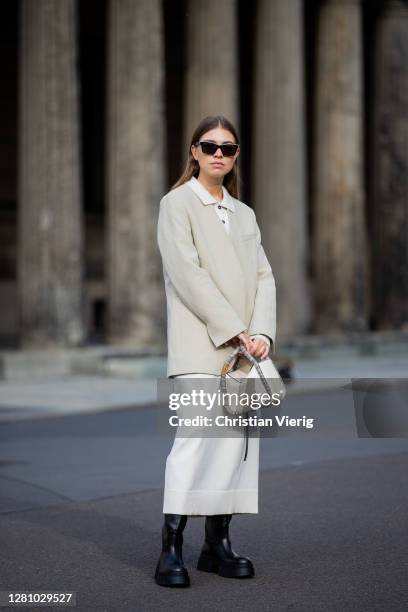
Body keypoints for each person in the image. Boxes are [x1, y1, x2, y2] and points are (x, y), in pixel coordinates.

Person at [155, 115, 276, 587]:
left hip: (246, 350)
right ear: (194, 152)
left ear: (236, 155)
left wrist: (262, 332)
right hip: (199, 344)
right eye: (210, 147)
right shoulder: (175, 204)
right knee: (194, 443)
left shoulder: (244, 213)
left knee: (235, 449)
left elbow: (264, 275)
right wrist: (233, 329)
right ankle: (170, 547)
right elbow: (187, 274)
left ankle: (216, 544)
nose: (218, 154)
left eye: (227, 148)